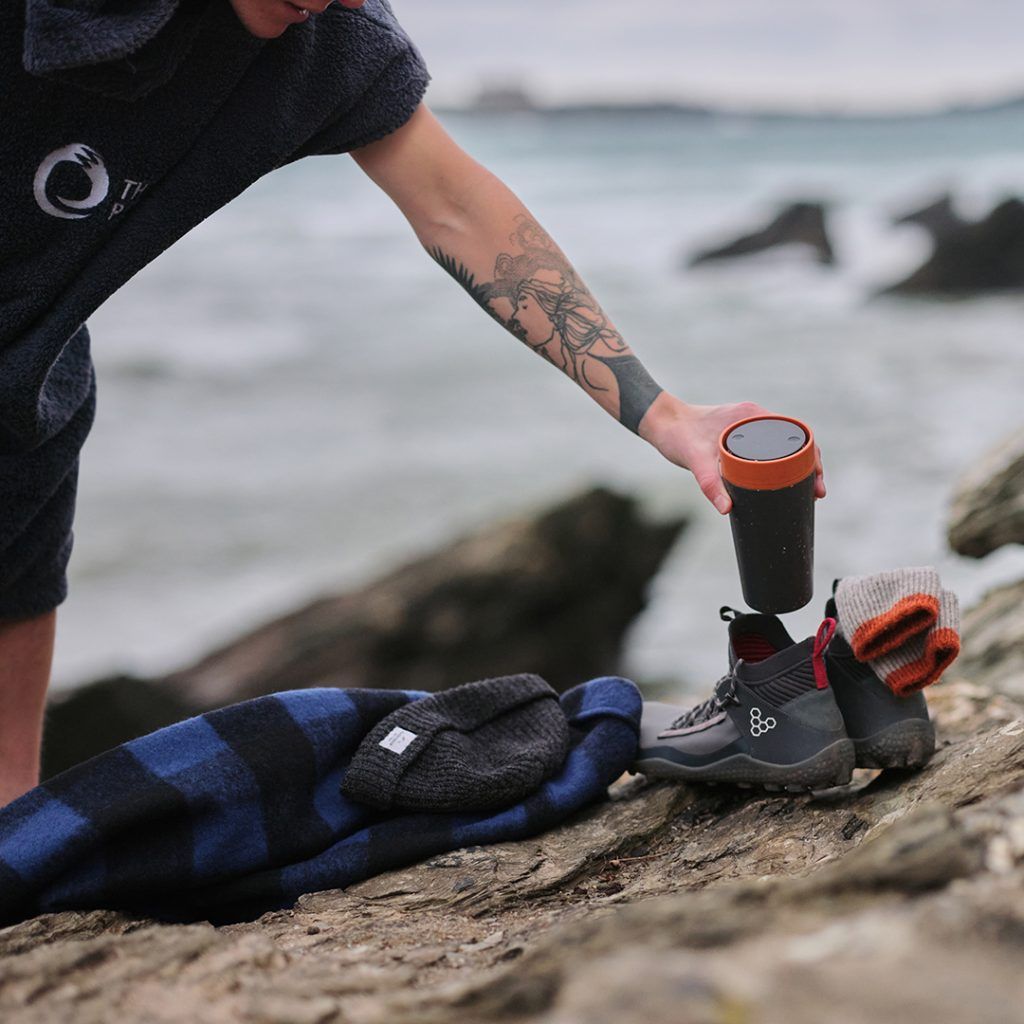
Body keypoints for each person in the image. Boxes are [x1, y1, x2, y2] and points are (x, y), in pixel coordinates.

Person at [0, 0, 824, 808]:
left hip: (30, 397)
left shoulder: (330, 43)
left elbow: (458, 206)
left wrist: (667, 416)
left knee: (13, 827)